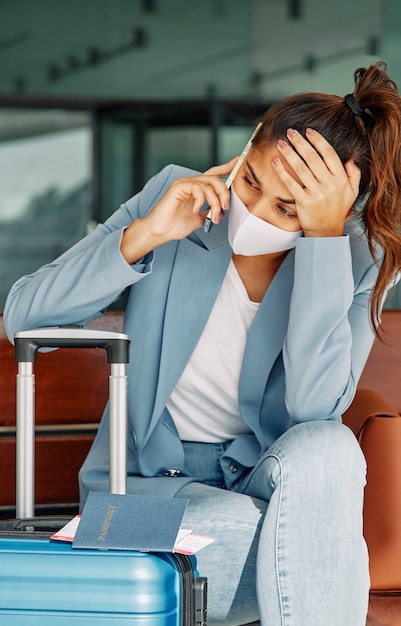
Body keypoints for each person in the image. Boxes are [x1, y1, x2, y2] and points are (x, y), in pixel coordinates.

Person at [4, 61, 401, 625]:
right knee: (299, 546)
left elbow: (315, 409)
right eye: (253, 182)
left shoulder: (357, 260)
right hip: (136, 503)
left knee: (330, 448)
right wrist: (147, 235)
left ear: (336, 212)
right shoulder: (175, 196)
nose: (257, 213)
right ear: (240, 155)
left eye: (289, 209)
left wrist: (321, 243)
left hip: (269, 481)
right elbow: (23, 316)